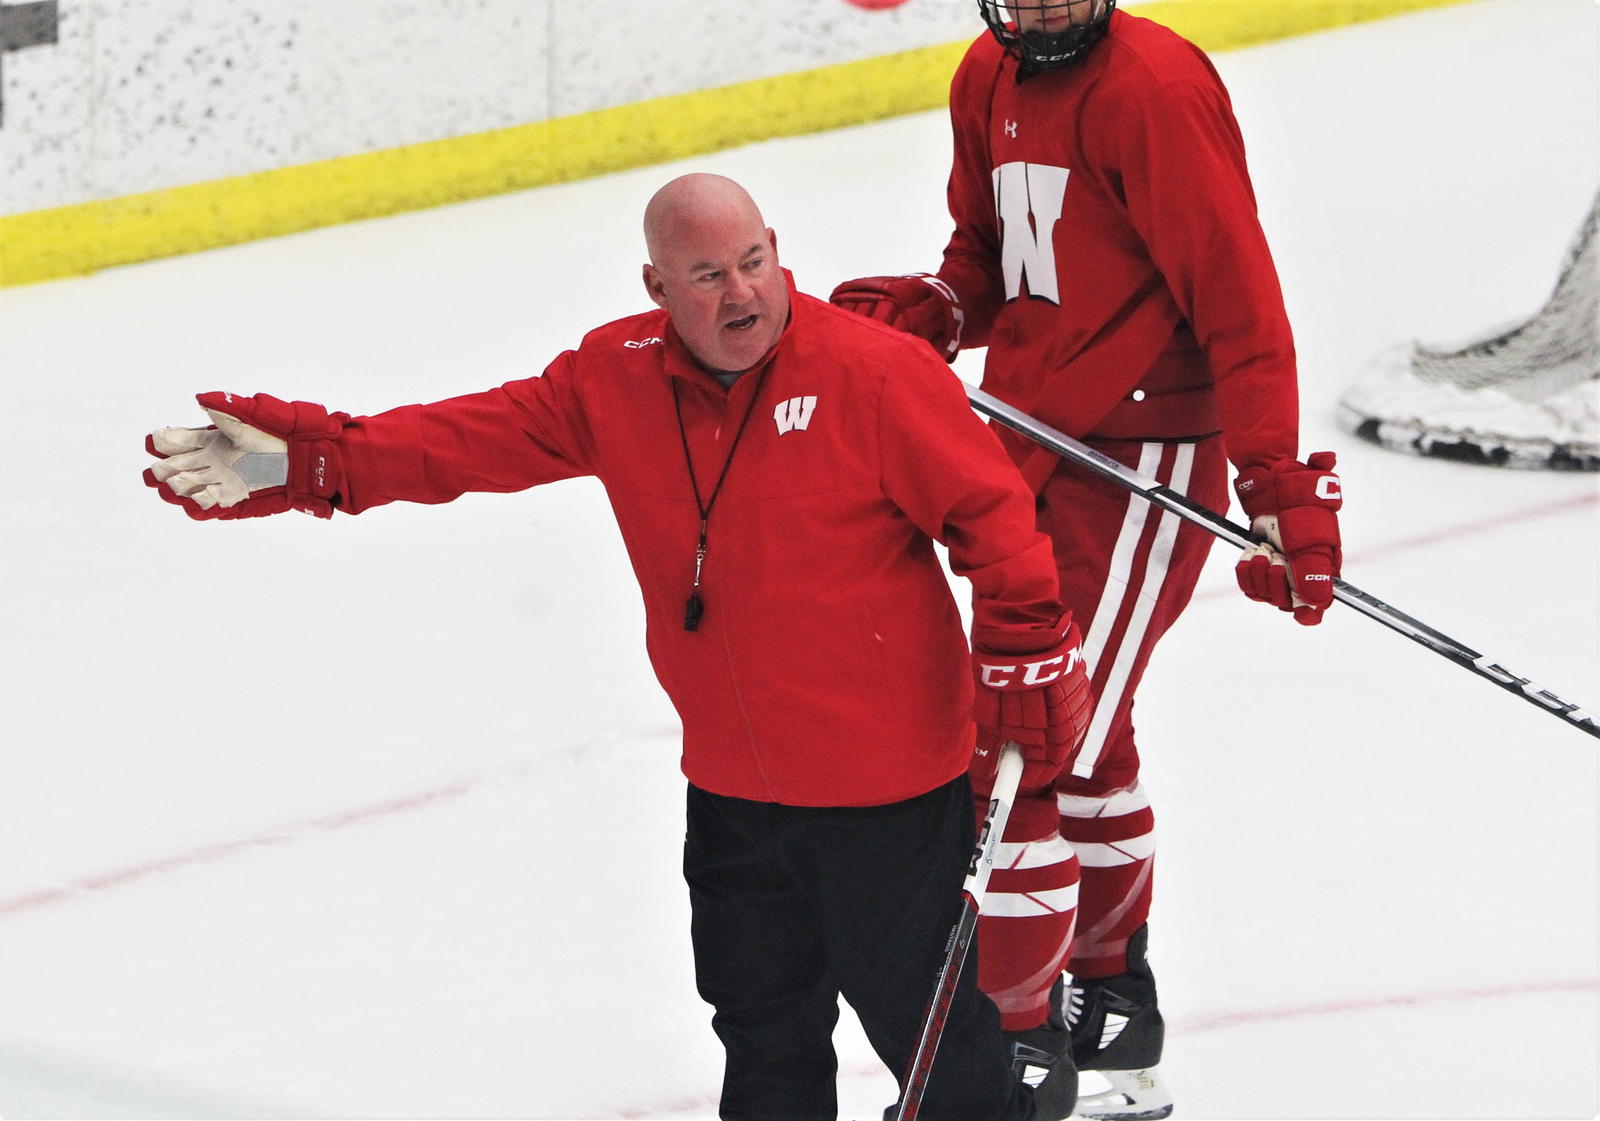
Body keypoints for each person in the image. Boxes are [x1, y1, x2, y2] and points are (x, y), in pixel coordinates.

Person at [143, 173, 1098, 1121]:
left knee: (938, 1054)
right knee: (762, 1035)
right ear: (657, 290)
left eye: (756, 263)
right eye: (709, 275)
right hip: (731, 790)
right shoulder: (616, 376)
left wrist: (1022, 652)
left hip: (884, 796)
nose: (743, 294)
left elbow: (998, 525)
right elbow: (463, 440)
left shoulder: (876, 374)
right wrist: (318, 459)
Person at [829, 3, 1345, 1117]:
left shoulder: (1151, 90)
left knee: (1017, 751)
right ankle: (1110, 1019)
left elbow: (1239, 296)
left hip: (1145, 457)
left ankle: (1008, 1063)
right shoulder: (986, 73)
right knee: (1083, 737)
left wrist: (1273, 484)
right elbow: (992, 257)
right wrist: (938, 306)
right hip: (1030, 438)